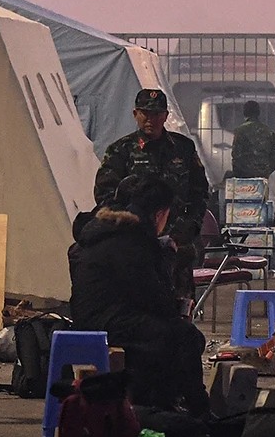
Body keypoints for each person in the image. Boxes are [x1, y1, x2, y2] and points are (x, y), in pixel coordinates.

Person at [68, 178, 209, 415]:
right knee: (185, 337)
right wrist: (165, 260)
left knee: (164, 335)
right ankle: (198, 411)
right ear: (160, 214)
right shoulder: (133, 240)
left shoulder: (103, 231)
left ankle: (162, 404)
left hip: (90, 317)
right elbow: (157, 300)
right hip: (108, 323)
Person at [94, 89, 211, 295]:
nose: (151, 120)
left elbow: (199, 191)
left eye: (156, 114)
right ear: (135, 114)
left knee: (180, 306)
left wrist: (189, 226)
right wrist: (128, 228)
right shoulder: (121, 150)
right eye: (145, 114)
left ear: (165, 116)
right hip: (136, 247)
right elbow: (105, 197)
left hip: (177, 245)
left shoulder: (183, 148)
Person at [230, 100, 275, 182]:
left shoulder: (240, 131)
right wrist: (266, 170)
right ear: (258, 113)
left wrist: (238, 173)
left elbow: (236, 155)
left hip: (244, 175)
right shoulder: (269, 132)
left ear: (244, 113)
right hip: (263, 175)